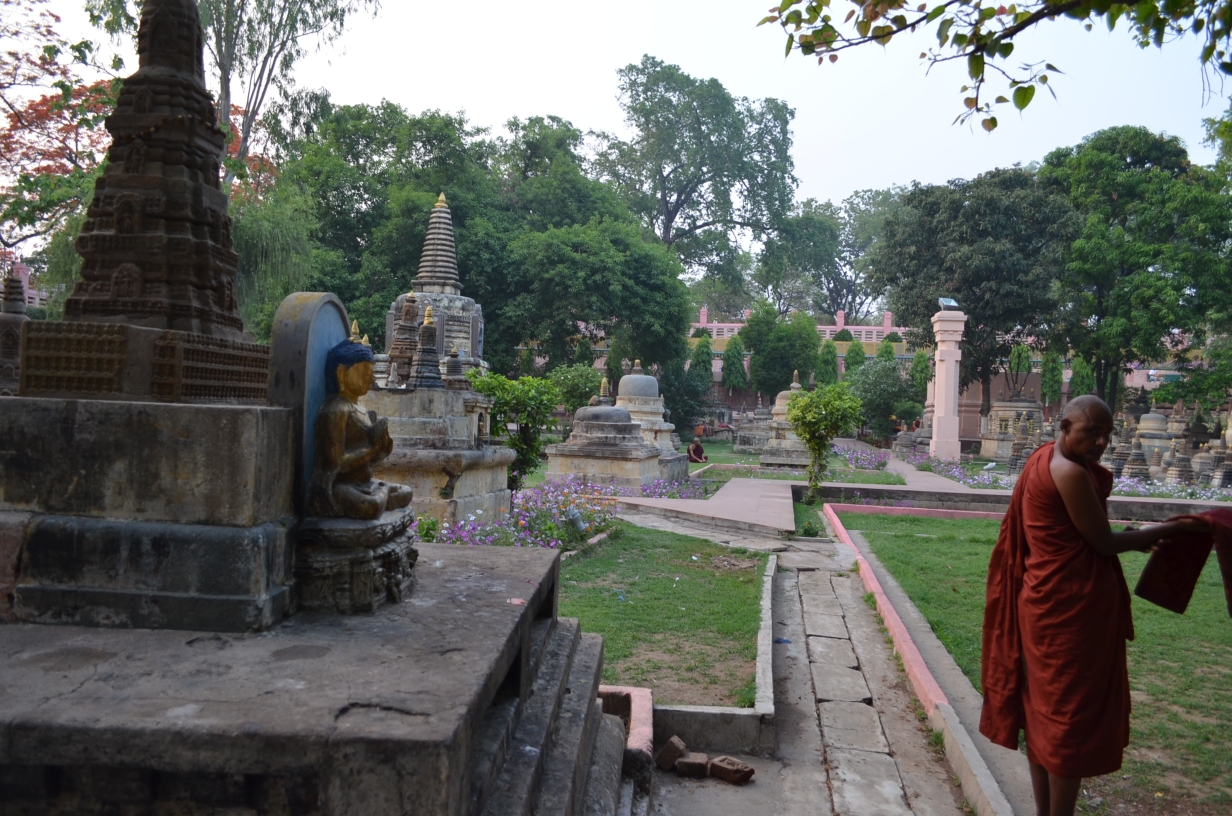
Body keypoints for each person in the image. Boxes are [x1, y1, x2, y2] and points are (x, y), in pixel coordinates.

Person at [980, 395, 1206, 816]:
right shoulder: (1067, 471)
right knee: (1066, 721)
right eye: (1092, 432)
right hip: (1068, 612)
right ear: (1065, 426)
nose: (1101, 441)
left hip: (1045, 603)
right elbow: (1102, 542)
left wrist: (1135, 534)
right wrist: (1163, 530)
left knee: (1045, 715)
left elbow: (1084, 533)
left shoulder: (1045, 458)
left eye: (1106, 434)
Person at [307, 338, 413, 520]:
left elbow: (370, 461)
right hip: (339, 485)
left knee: (407, 492)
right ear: (341, 373)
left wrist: (383, 448)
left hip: (363, 482)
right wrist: (372, 449)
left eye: (371, 374)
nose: (370, 379)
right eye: (364, 373)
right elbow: (336, 462)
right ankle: (382, 494)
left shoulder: (362, 410)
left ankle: (382, 493)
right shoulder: (336, 409)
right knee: (370, 506)